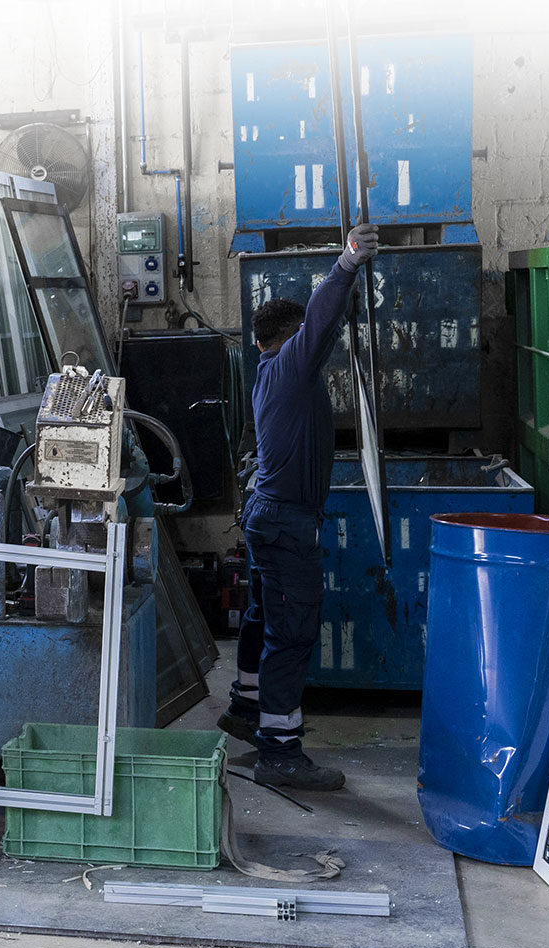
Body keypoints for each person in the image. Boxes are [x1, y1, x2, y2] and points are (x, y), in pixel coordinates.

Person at [218, 222, 381, 792]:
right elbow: (319, 322)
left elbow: (321, 326)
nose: (320, 346)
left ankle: (246, 709)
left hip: (269, 514)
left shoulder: (268, 372)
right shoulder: (290, 366)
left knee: (263, 616)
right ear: (287, 338)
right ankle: (280, 752)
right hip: (287, 524)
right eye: (308, 339)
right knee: (292, 636)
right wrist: (347, 264)